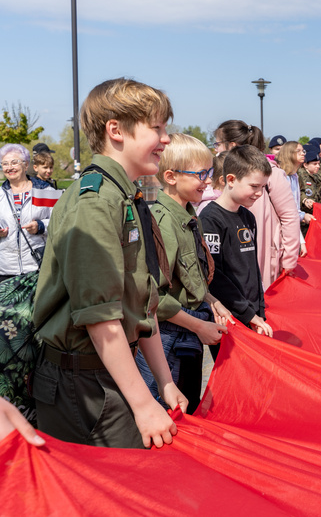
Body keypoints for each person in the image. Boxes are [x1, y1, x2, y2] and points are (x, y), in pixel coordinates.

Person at [32, 77, 188, 449]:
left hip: (108, 370)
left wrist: (164, 382)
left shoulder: (126, 197)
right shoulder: (96, 201)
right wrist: (142, 403)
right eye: (157, 128)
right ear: (116, 130)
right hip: (84, 383)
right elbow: (101, 318)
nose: (166, 139)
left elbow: (141, 305)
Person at [135, 134, 233, 414]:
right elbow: (155, 296)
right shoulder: (163, 222)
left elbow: (192, 278)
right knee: (170, 411)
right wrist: (198, 326)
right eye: (201, 174)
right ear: (171, 176)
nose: (208, 181)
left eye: (210, 173)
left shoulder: (189, 217)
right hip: (168, 338)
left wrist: (212, 301)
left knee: (188, 403)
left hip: (187, 333)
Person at [212, 121, 302, 289]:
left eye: (217, 144)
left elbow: (289, 215)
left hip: (263, 253)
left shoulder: (272, 174)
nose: (216, 149)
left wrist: (289, 258)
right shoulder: (221, 174)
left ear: (230, 146)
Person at [200, 145, 274, 339]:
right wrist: (247, 313)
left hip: (251, 313)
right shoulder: (210, 219)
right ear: (231, 180)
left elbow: (252, 270)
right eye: (254, 186)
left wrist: (258, 312)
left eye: (263, 187)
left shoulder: (248, 217)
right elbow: (213, 275)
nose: (259, 193)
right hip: (228, 315)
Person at [0, 144, 55, 282]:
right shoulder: (0, 195)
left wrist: (41, 226)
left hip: (38, 268)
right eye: (5, 164)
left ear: (26, 165)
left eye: (14, 162)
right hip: (6, 271)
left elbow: (62, 222)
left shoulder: (45, 191)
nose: (9, 167)